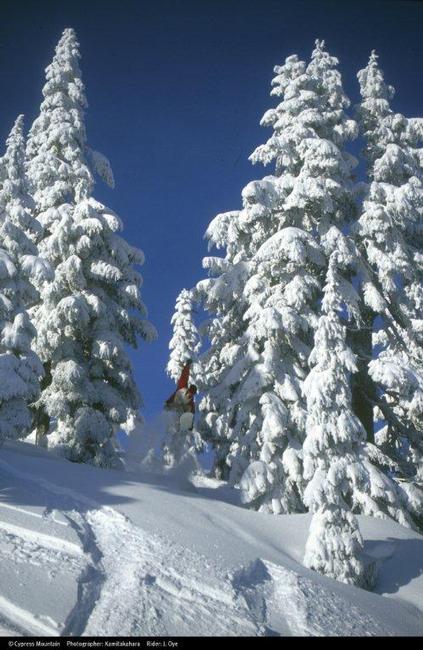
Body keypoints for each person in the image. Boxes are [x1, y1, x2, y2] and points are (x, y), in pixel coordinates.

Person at [165, 360, 197, 430]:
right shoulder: (183, 387)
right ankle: (176, 419)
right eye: (190, 391)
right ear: (189, 389)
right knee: (186, 406)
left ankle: (183, 424)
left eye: (192, 393)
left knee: (189, 407)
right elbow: (184, 377)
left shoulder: (191, 401)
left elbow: (191, 412)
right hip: (171, 404)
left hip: (179, 408)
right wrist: (187, 366)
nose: (191, 394)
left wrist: (190, 424)